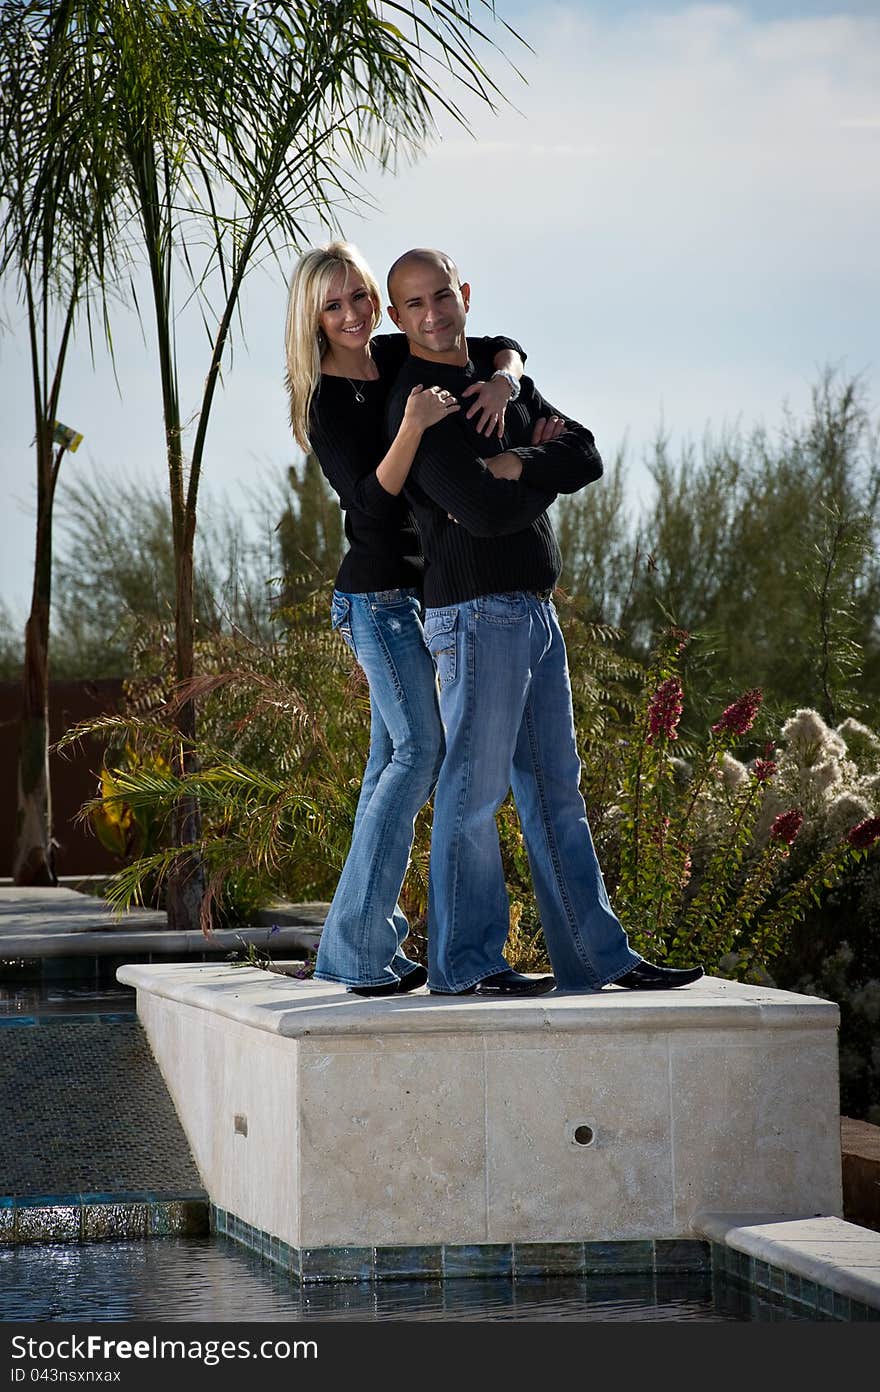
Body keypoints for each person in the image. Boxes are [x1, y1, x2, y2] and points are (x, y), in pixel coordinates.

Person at [385, 247, 705, 997]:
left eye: (443, 297)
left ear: (463, 294)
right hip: (472, 618)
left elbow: (585, 453)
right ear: (398, 319)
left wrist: (521, 462)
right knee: (474, 791)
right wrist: (530, 477)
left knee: (557, 789)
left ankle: (596, 958)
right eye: (415, 306)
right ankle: (464, 965)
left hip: (530, 613)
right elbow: (486, 515)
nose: (433, 315)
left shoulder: (502, 384)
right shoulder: (421, 400)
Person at [284, 240, 540, 997]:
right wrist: (415, 426)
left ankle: (352, 947)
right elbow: (369, 503)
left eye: (360, 297)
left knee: (385, 769)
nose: (353, 313)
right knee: (419, 754)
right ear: (313, 319)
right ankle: (361, 952)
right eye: (334, 306)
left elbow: (500, 343)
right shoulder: (323, 399)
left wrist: (501, 380)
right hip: (377, 599)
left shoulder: (393, 352)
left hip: (421, 596)